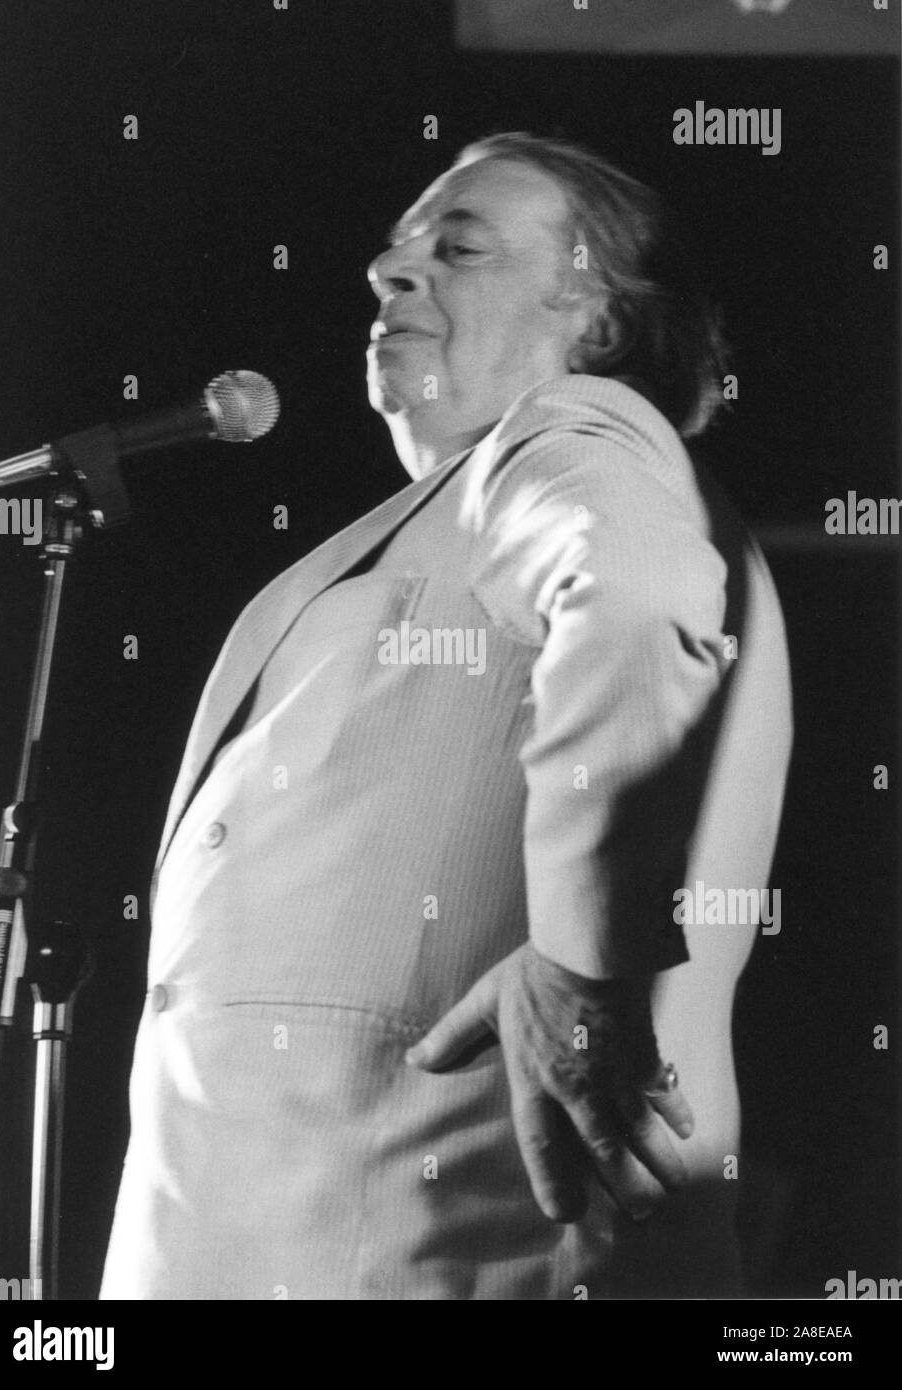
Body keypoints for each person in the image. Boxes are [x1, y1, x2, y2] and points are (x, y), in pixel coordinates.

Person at [100, 133, 792, 1300]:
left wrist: (581, 962)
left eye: (459, 246)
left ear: (602, 326)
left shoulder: (574, 434)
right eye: (394, 251)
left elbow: (632, 598)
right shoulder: (463, 507)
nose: (389, 270)